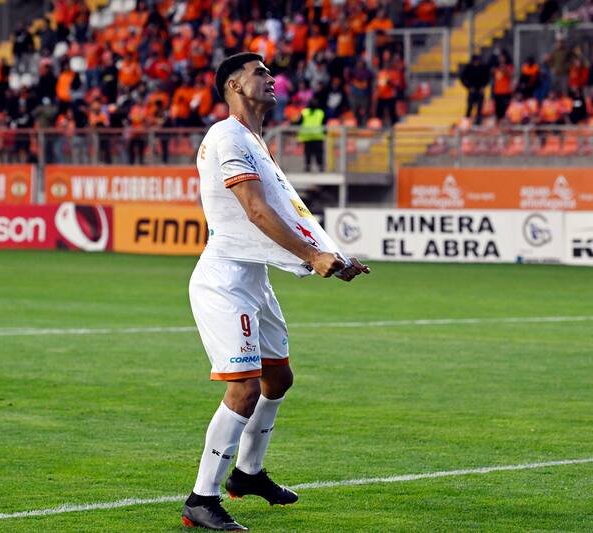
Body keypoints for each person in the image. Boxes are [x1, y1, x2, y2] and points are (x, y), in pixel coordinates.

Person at [183, 52, 369, 531]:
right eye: (259, 73)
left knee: (278, 379)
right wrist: (312, 258)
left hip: (253, 279)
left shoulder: (255, 142)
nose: (271, 79)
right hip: (225, 280)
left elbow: (289, 212)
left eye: (270, 73)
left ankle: (247, 473)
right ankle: (201, 499)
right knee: (242, 389)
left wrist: (334, 256)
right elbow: (257, 212)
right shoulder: (227, 136)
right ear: (232, 86)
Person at [297, 97, 326, 172]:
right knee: (318, 153)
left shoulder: (304, 112)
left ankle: (308, 167)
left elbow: (298, 122)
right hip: (317, 136)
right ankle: (320, 168)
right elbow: (324, 124)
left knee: (308, 153)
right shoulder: (320, 113)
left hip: (307, 136)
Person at [460, 54, 490, 125]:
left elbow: (487, 78)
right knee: (470, 106)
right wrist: (469, 87)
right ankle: (466, 122)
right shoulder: (469, 68)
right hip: (472, 90)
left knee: (480, 107)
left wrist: (483, 87)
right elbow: (462, 78)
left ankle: (478, 122)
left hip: (480, 90)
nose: (477, 62)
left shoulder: (483, 68)